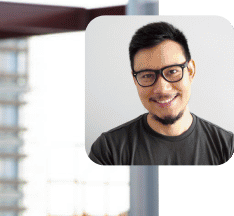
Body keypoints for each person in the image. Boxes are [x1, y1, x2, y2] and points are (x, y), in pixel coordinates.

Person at [89, 21, 233, 165]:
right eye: (147, 75)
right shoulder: (109, 149)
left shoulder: (226, 147)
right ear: (135, 79)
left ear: (190, 71)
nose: (162, 89)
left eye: (172, 71)